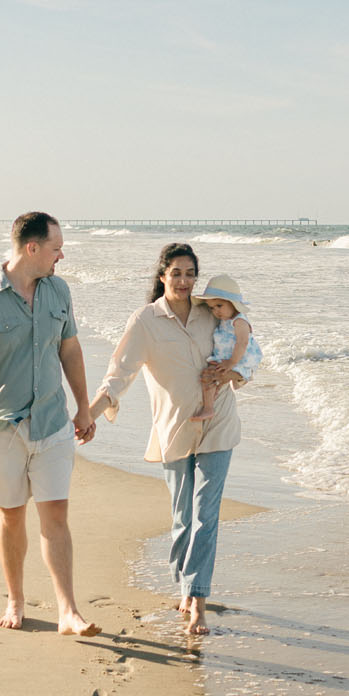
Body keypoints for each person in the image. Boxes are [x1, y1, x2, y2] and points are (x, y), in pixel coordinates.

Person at [0, 210, 99, 636]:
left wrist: (83, 406)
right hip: (2, 429)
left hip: (51, 423)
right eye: (56, 248)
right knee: (13, 517)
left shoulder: (58, 292)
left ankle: (68, 610)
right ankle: (15, 599)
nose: (62, 256)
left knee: (56, 515)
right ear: (32, 248)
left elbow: (70, 351)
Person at [90, 243, 246, 636]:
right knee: (182, 519)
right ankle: (185, 583)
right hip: (175, 427)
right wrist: (89, 414)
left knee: (206, 517)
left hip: (218, 421)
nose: (184, 281)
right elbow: (119, 372)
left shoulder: (212, 314)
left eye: (190, 273)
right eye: (176, 273)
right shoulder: (145, 321)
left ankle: (197, 602)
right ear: (162, 276)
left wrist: (230, 375)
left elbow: (246, 353)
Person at [190, 275, 262, 422]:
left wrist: (231, 363)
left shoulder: (239, 321)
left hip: (239, 361)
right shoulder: (225, 320)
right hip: (225, 359)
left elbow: (242, 342)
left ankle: (208, 408)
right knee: (209, 377)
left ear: (232, 303)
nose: (216, 311)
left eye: (219, 306)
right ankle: (210, 403)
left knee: (209, 376)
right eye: (212, 308)